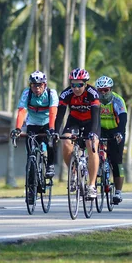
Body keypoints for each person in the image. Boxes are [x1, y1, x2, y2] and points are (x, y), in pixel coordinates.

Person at [54, 68, 101, 200]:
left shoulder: (93, 93)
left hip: (91, 122)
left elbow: (96, 116)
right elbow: (60, 115)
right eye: (73, 84)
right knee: (66, 141)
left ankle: (91, 185)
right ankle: (73, 172)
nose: (76, 88)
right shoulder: (66, 94)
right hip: (74, 120)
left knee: (91, 145)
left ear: (85, 84)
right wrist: (56, 132)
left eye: (79, 84)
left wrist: (93, 133)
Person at [11, 71, 58, 193]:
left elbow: (53, 112)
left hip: (48, 122)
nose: (36, 88)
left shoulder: (51, 93)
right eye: (34, 85)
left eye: (39, 85)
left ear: (45, 85)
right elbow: (22, 111)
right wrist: (18, 129)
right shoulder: (27, 93)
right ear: (30, 85)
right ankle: (31, 188)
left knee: (51, 142)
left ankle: (50, 165)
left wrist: (52, 129)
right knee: (30, 154)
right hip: (33, 123)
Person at [95, 75, 127, 204]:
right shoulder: (94, 100)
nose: (103, 93)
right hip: (100, 129)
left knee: (116, 161)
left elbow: (123, 118)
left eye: (106, 90)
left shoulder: (117, 100)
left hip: (115, 130)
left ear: (111, 89)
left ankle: (118, 192)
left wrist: (120, 132)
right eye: (100, 90)